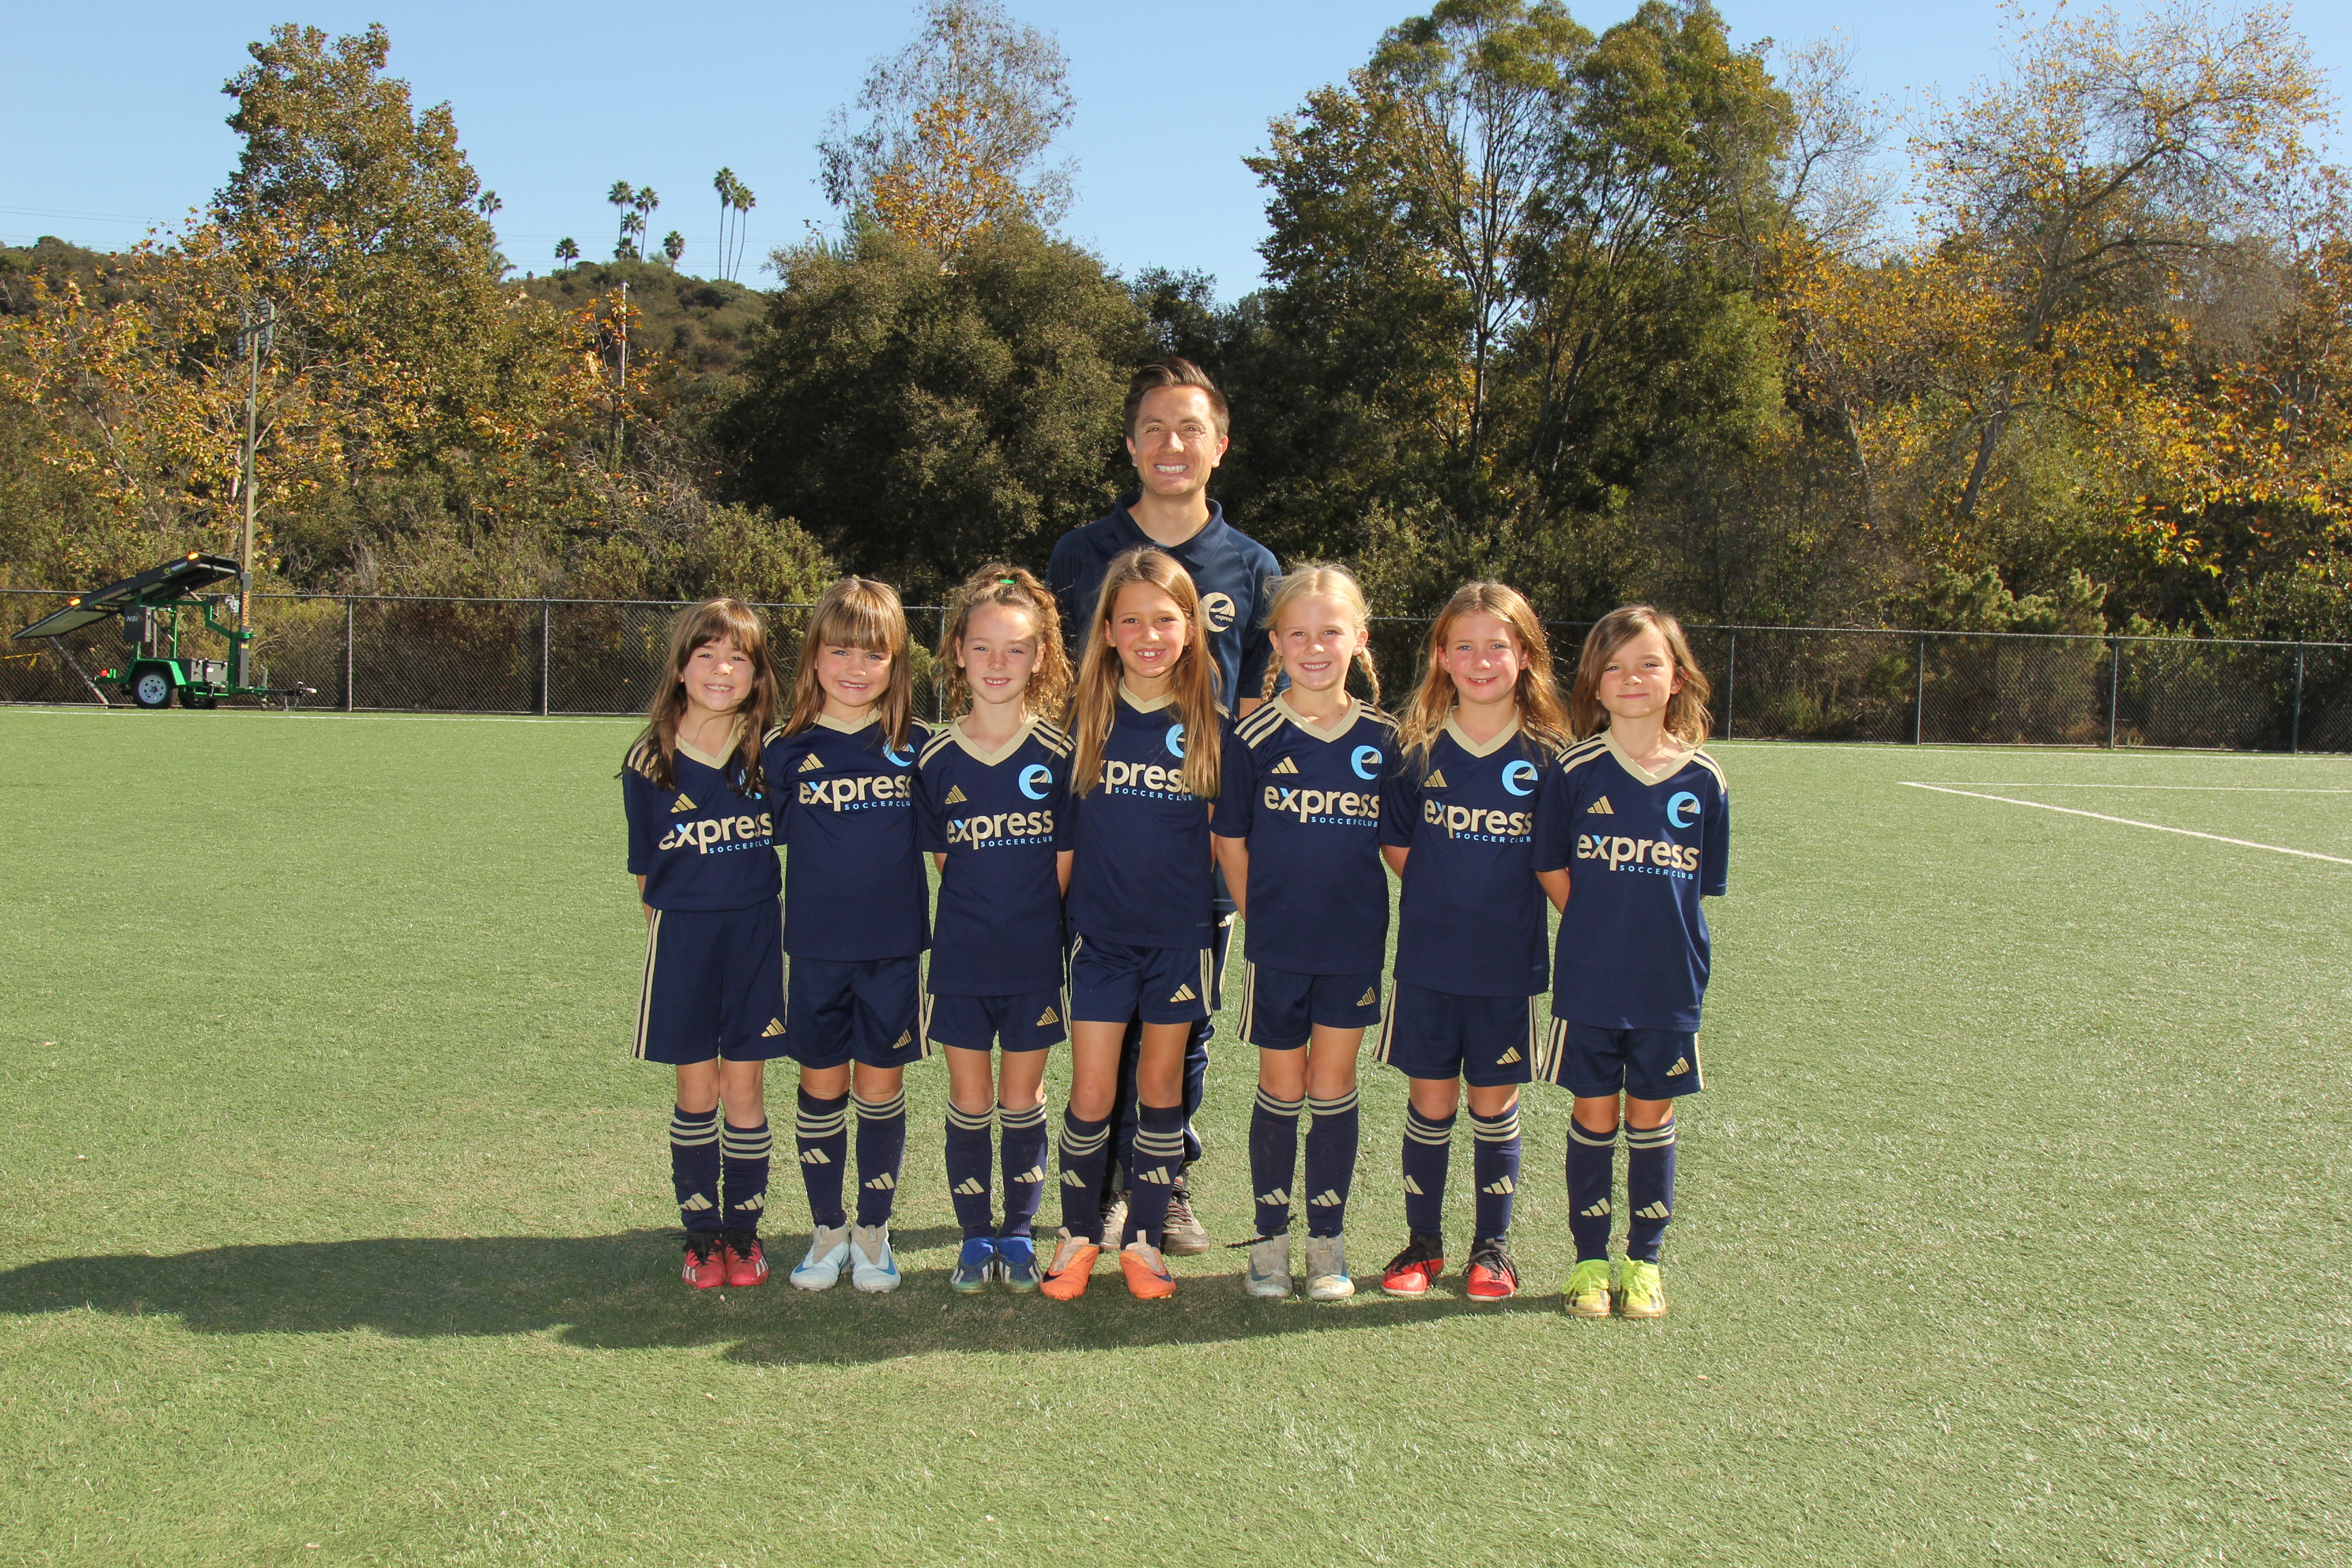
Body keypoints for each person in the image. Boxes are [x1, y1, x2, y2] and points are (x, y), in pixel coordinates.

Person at [1049, 357, 1279, 1254]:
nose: (1171, 444)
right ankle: (1102, 1192)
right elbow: (1054, 688)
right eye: (1154, 428)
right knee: (1104, 1030)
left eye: (1191, 428)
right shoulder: (1081, 553)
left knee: (1184, 1033)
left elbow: (1253, 712)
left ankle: (1167, 1185)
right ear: (1131, 444)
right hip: (1108, 835)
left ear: (1220, 445)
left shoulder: (1253, 566)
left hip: (1197, 842)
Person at [1374, 582, 1571, 1303]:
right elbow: (1398, 845)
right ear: (1442, 656)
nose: (1481, 660)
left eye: (1497, 646)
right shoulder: (1416, 747)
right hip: (1429, 962)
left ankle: (1493, 1249)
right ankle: (1423, 1243)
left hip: (1507, 965)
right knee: (1430, 1102)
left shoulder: (1551, 757)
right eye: (1465, 646)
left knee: (1493, 1104)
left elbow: (1557, 859)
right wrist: (1445, 895)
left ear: (1526, 656)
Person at [1040, 548, 1226, 1301]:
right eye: (1131, 621)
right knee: (1091, 1090)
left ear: (1190, 628)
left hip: (1179, 941)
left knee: (1160, 1088)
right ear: (1108, 631)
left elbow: (1218, 842)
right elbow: (1063, 839)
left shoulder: (1209, 724)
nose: (1149, 635)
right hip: (1101, 939)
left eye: (1164, 619)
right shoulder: (1085, 719)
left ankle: (1145, 1243)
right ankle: (1078, 1235)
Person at [1533, 606, 1728, 1320]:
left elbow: (1699, 885)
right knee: (1593, 1115)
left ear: (1678, 677)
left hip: (1668, 983)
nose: (1632, 678)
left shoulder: (1704, 779)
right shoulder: (1575, 770)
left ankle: (1645, 1263)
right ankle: (1589, 1260)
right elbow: (1551, 866)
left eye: (1649, 663)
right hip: (1591, 978)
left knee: (1650, 1119)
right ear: (1594, 682)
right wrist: (1594, 922)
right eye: (1613, 666)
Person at [1213, 565, 1393, 1301]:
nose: (1314, 647)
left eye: (1330, 632)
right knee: (1281, 1084)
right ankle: (1269, 1241)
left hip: (1352, 945)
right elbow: (1230, 843)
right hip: (1279, 947)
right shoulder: (1252, 736)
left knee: (1334, 1084)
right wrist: (1262, 919)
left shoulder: (1385, 739)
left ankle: (1327, 1242)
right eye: (1298, 634)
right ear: (1277, 644)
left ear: (1360, 639)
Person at [762, 578, 929, 1294]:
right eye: (840, 651)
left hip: (893, 953)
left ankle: (874, 1231)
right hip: (816, 952)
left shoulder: (917, 748)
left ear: (896, 663)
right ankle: (828, 1228)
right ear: (814, 657)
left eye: (874, 653)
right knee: (821, 1085)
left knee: (881, 1088)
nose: (856, 667)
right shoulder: (783, 750)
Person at [914, 563, 1077, 1294]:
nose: (998, 662)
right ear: (958, 652)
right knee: (971, 1098)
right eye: (982, 647)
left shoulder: (1061, 755)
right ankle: (974, 1233)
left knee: (1022, 1099)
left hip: (1033, 959)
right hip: (961, 960)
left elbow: (1062, 868)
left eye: (1016, 648)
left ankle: (1018, 1231)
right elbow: (948, 862)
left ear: (1040, 656)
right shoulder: (934, 757)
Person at [619, 599, 787, 1291]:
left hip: (755, 937)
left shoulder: (770, 750)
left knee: (744, 1086)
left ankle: (743, 1236)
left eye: (738, 658)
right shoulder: (649, 759)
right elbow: (645, 874)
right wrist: (677, 934)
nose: (722, 670)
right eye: (707, 656)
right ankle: (700, 1236)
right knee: (697, 1088)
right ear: (681, 669)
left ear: (757, 674)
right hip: (684, 939)